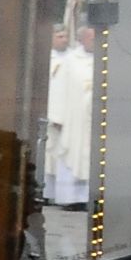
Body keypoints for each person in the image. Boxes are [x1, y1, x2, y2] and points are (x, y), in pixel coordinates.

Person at [43, 26, 95, 206]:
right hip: (74, 120)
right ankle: (71, 199)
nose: (95, 42)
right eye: (92, 38)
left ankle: (89, 198)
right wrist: (58, 117)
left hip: (93, 120)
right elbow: (59, 88)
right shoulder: (70, 61)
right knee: (71, 155)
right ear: (82, 39)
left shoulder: (104, 59)